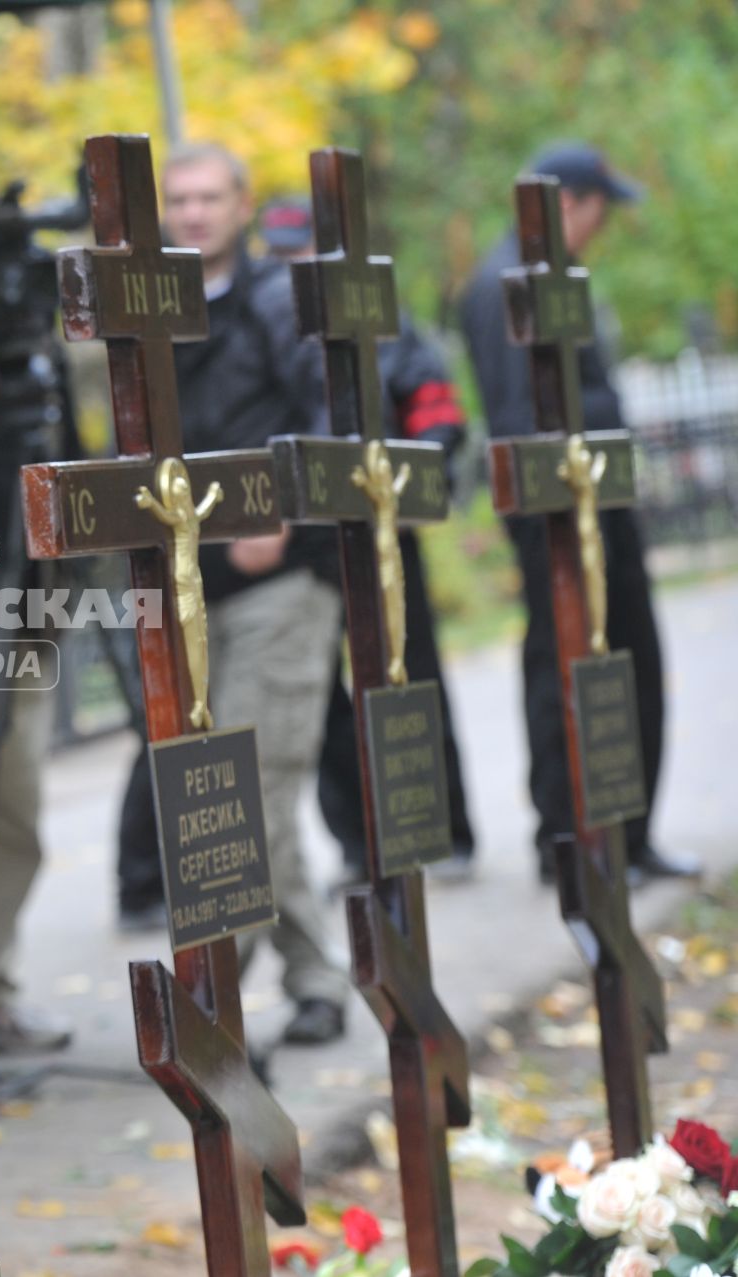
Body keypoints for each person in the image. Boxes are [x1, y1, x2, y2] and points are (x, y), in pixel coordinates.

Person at [148, 141, 350, 1044]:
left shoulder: (280, 300)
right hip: (194, 592)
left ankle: (218, 991)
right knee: (238, 782)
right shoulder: (157, 313)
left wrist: (288, 519)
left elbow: (328, 419)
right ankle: (317, 977)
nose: (192, 213)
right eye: (177, 199)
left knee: (240, 789)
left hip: (281, 586)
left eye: (208, 197)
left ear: (242, 204)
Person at [458, 142, 692, 886]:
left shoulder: (551, 279)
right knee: (564, 673)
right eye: (598, 209)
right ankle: (570, 840)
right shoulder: (505, 285)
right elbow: (521, 418)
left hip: (598, 509)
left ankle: (627, 833)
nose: (602, 226)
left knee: (629, 666)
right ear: (567, 204)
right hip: (559, 520)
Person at [253, 197, 479, 887]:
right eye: (284, 255)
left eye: (305, 254)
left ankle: (444, 829)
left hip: (380, 530)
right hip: (301, 544)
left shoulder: (386, 327)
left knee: (412, 680)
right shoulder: (259, 325)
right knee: (319, 700)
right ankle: (359, 843)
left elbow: (438, 412)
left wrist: (407, 486)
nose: (296, 269)